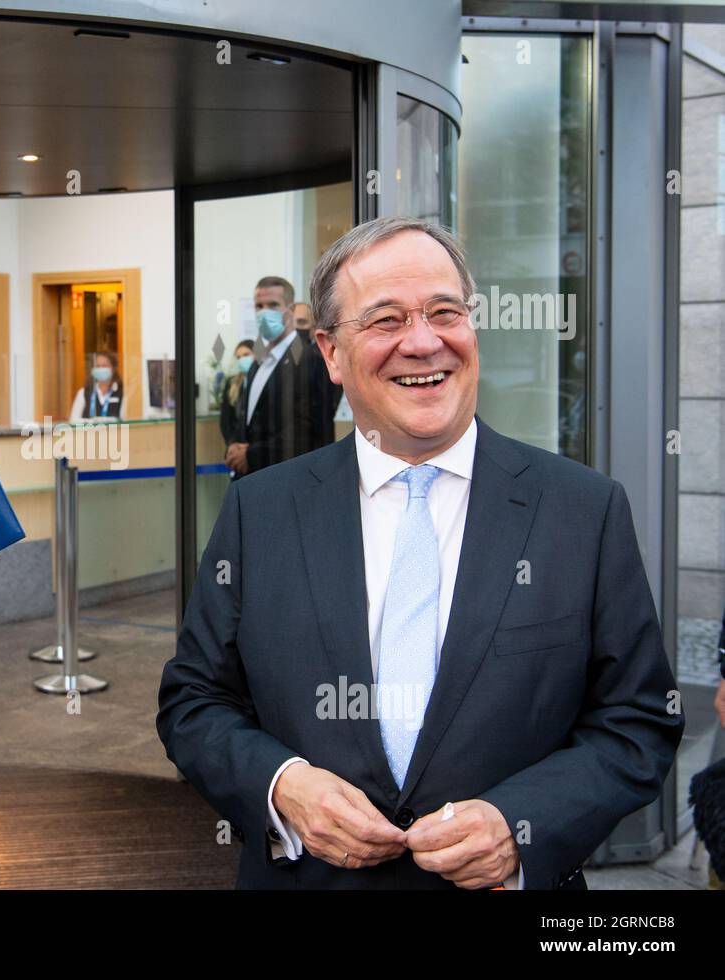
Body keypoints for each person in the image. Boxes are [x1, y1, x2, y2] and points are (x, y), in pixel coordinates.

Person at [158, 216, 684, 889]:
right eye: (385, 320)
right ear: (331, 354)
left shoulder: (583, 511)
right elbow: (192, 701)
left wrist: (520, 824)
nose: (424, 341)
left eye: (445, 312)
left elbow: (638, 720)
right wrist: (282, 786)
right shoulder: (261, 511)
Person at [226, 280, 339, 477]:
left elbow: (308, 429)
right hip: (250, 480)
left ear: (291, 309)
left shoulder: (310, 359)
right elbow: (248, 418)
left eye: (273, 305)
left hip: (288, 480)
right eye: (259, 306)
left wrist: (251, 455)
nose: (264, 313)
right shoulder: (257, 363)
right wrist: (234, 446)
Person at [219, 340, 255, 447]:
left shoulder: (265, 381)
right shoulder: (231, 383)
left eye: (246, 355)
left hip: (257, 447)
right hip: (236, 445)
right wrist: (232, 444)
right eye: (238, 357)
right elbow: (225, 421)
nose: (242, 360)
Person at [69, 350, 123, 420]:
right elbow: (73, 420)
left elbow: (126, 422)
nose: (100, 369)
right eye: (97, 366)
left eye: (104, 366)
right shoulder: (83, 392)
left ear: (113, 368)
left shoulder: (122, 393)